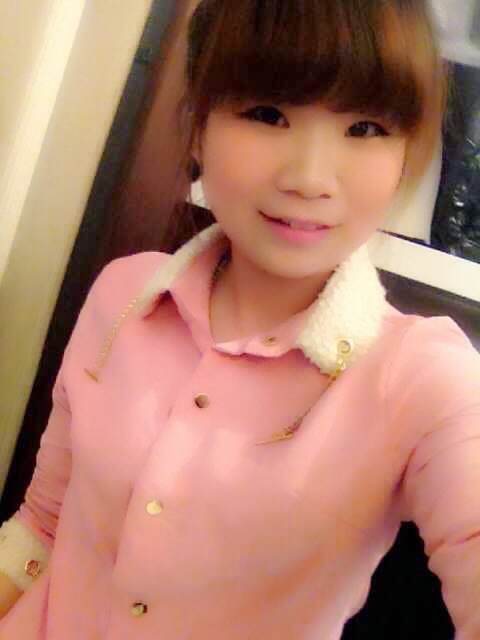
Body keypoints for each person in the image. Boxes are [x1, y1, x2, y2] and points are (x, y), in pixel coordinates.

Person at [0, 1, 479, 638]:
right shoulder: (124, 293)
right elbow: (42, 525)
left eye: (365, 128)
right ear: (199, 126)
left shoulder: (423, 377)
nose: (310, 178)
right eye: (267, 115)